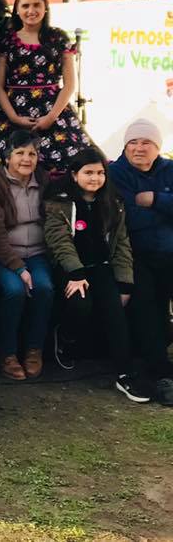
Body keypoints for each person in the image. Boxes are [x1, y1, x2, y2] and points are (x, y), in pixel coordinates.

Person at [44, 148, 152, 403]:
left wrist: (125, 282)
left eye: (100, 173)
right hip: (70, 268)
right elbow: (59, 241)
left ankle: (125, 373)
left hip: (101, 266)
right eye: (88, 172)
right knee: (81, 304)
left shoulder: (113, 203)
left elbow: (122, 243)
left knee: (116, 311)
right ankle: (66, 337)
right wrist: (75, 272)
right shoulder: (59, 202)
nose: (94, 178)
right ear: (74, 174)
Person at [0, 0, 91, 173]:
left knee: (69, 164)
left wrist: (51, 117)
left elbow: (69, 84)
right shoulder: (6, 40)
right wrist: (14, 117)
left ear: (45, 8)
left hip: (52, 110)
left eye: (37, 5)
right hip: (15, 111)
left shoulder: (58, 37)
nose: (31, 11)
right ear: (17, 10)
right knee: (11, 165)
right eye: (25, 5)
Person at [109, 119, 173, 405]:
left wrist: (156, 199)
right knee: (147, 307)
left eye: (146, 142)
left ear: (157, 147)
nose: (138, 148)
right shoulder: (115, 173)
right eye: (133, 142)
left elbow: (140, 208)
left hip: (169, 252)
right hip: (133, 254)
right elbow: (128, 219)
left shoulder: (169, 169)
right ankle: (161, 373)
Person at [0, 131, 53, 380]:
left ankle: (34, 350)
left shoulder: (43, 180)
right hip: (5, 254)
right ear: (7, 156)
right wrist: (19, 268)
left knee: (44, 288)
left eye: (32, 153)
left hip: (37, 252)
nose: (26, 159)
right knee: (14, 290)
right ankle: (7, 354)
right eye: (20, 153)